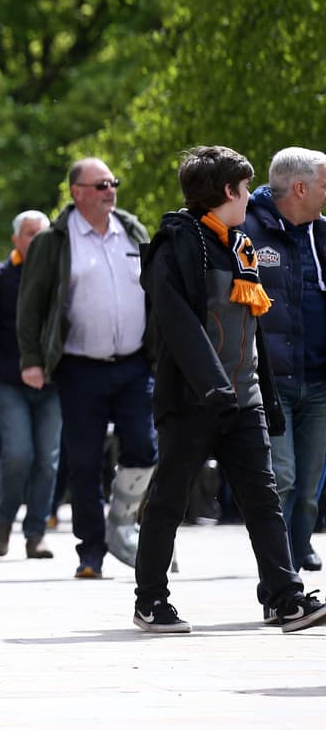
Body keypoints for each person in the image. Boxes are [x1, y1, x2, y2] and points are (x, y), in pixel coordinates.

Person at [134, 145, 326, 634]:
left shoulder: (241, 244)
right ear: (226, 191)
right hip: (192, 400)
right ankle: (150, 601)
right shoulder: (176, 243)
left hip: (245, 400)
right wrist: (214, 387)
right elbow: (178, 324)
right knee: (169, 500)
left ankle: (285, 598)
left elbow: (253, 327)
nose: (249, 196)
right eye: (243, 188)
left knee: (263, 498)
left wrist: (262, 396)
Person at [17, 157, 157, 578]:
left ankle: (122, 524)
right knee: (83, 461)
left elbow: (154, 292)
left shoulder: (133, 231)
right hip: (79, 369)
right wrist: (32, 361)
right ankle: (91, 550)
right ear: (77, 192)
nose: (110, 190)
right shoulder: (53, 241)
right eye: (100, 185)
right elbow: (31, 306)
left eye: (113, 183)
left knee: (144, 449)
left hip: (135, 364)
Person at [240, 147, 326, 574]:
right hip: (271, 384)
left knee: (308, 489)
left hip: (319, 385)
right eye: (325, 184)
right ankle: (278, 580)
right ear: (301, 188)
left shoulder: (321, 234)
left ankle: (293, 569)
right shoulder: (247, 230)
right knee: (283, 479)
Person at [0, 210, 62, 560]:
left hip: (53, 384)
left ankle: (35, 534)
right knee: (17, 455)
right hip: (8, 381)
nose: (36, 239)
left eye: (42, 233)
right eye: (29, 233)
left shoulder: (61, 273)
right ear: (16, 239)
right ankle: (4, 519)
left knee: (47, 460)